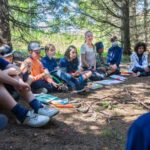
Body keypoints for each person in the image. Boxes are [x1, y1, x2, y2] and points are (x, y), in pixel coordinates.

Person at [0, 51, 59, 127]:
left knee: (12, 74)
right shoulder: (28, 61)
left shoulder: (38, 61)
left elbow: (17, 69)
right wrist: (16, 82)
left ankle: (36, 105)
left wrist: (19, 80)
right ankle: (21, 115)